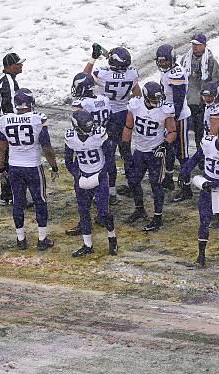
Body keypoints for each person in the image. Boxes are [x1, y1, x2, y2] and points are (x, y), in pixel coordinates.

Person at [0, 88, 59, 250]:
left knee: (18, 202)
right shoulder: (37, 119)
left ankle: (21, 239)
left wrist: (1, 169)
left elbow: (1, 150)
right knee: (40, 201)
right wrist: (54, 167)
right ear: (31, 103)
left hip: (15, 167)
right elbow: (47, 148)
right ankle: (42, 239)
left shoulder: (4, 120)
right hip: (32, 167)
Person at [180, 122, 219, 267]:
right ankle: (201, 254)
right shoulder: (208, 144)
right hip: (206, 190)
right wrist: (185, 171)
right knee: (204, 222)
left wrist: (215, 184)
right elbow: (196, 158)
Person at [84, 45, 141, 202]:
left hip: (108, 116)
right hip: (124, 114)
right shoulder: (132, 73)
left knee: (108, 154)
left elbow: (83, 79)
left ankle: (111, 191)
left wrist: (93, 58)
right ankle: (133, 184)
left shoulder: (102, 74)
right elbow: (137, 94)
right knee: (126, 152)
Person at [120, 81, 176, 231]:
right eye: (154, 99)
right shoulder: (135, 105)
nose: (158, 102)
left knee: (155, 185)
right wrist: (125, 147)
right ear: (145, 97)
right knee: (133, 181)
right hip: (139, 150)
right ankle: (140, 209)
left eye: (159, 98)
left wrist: (164, 145)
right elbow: (128, 126)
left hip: (155, 152)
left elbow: (172, 132)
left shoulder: (165, 109)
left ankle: (158, 217)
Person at [64, 110, 118, 257]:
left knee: (103, 212)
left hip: (99, 175)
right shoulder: (71, 137)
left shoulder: (99, 134)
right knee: (83, 211)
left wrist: (102, 174)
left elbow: (110, 157)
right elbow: (68, 160)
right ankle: (87, 245)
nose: (90, 129)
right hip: (83, 175)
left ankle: (112, 238)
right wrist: (76, 175)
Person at [65, 72, 112, 237]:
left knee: (83, 185)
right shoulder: (104, 99)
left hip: (87, 141)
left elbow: (78, 118)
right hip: (101, 140)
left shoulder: (81, 103)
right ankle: (102, 214)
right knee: (104, 176)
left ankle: (84, 220)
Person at [155, 44, 193, 202]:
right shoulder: (167, 72)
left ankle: (186, 188)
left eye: (165, 61)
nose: (163, 64)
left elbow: (178, 101)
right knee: (168, 149)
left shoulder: (176, 73)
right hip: (169, 116)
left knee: (182, 154)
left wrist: (172, 121)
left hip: (179, 117)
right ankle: (169, 179)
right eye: (161, 61)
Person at [180, 33, 219, 162]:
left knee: (201, 133)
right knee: (183, 132)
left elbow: (217, 82)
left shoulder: (211, 61)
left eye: (198, 44)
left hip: (202, 103)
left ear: (204, 45)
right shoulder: (185, 59)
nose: (195, 47)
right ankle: (183, 156)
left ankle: (202, 158)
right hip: (188, 102)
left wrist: (213, 102)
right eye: (193, 44)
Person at [0, 52, 24, 206]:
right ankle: (10, 195)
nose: (21, 65)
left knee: (5, 156)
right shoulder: (9, 82)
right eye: (18, 63)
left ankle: (7, 193)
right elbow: (10, 105)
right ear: (10, 66)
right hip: (4, 123)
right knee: (12, 158)